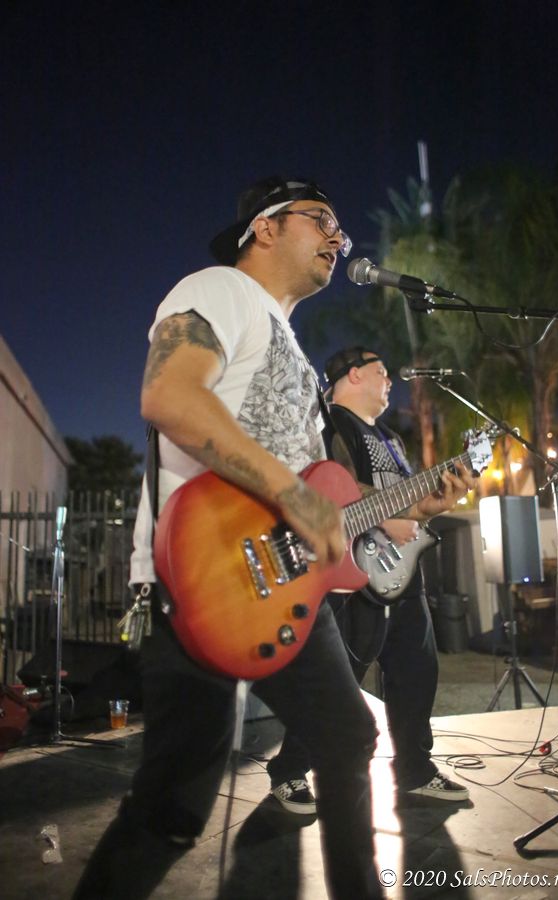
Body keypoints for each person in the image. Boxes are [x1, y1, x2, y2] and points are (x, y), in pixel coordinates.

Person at [72, 177, 473, 900]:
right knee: (173, 811)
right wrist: (292, 495)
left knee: (348, 739)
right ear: (265, 226)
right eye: (322, 220)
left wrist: (418, 502)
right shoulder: (220, 290)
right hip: (206, 576)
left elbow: (327, 499)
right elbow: (169, 395)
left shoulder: (289, 346)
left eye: (340, 229)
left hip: (288, 588)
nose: (338, 239)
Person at [266, 346, 471, 815]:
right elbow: (322, 489)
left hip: (403, 574)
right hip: (350, 575)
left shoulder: (392, 439)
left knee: (417, 675)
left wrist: (431, 506)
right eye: (382, 371)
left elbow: (409, 503)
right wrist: (388, 515)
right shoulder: (327, 425)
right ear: (353, 374)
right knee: (335, 684)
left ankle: (415, 771)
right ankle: (290, 769)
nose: (390, 380)